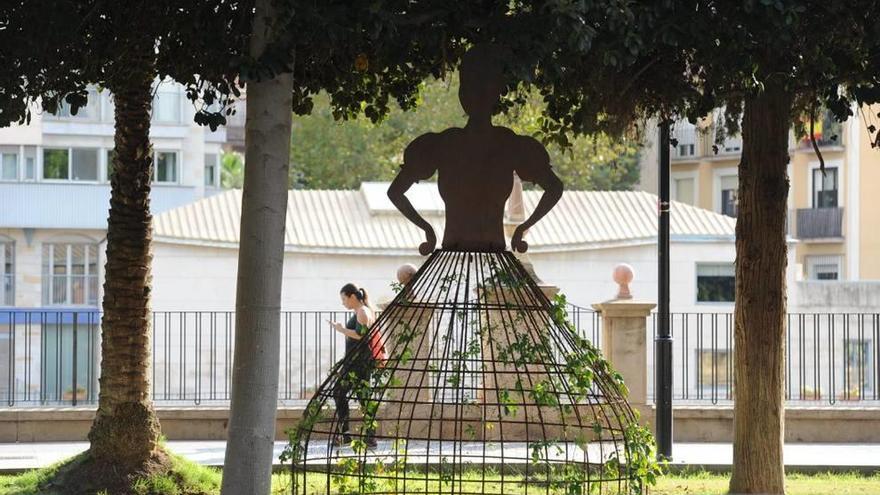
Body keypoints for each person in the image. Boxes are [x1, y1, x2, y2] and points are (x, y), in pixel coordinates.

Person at [387, 43, 563, 255]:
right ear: (463, 92)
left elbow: (555, 187)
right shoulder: (443, 144)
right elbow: (395, 192)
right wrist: (427, 230)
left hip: (489, 249)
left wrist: (523, 227)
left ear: (497, 91)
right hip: (454, 249)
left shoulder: (511, 145)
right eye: (471, 86)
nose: (478, 95)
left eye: (485, 86)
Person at [329, 283, 379, 448]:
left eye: (344, 299)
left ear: (352, 296)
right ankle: (367, 436)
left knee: (339, 392)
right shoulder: (363, 310)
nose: (343, 303)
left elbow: (361, 336)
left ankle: (347, 435)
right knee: (362, 397)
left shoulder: (363, 311)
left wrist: (341, 329)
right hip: (358, 360)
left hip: (358, 362)